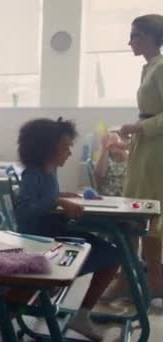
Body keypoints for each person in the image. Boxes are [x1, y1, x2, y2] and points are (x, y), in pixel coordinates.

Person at [16, 118, 120, 341]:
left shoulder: (50, 170)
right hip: (44, 242)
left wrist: (61, 196)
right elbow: (25, 210)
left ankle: (73, 310)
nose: (70, 152)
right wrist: (57, 202)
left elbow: (45, 198)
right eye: (65, 147)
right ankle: (41, 301)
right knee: (112, 255)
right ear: (45, 149)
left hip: (58, 235)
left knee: (113, 253)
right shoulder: (32, 173)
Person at [119, 14, 163, 300]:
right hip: (144, 147)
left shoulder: (161, 68)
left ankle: (154, 285)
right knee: (132, 212)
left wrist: (140, 127)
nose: (130, 41)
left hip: (156, 151)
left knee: (147, 214)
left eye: (134, 35)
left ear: (149, 37)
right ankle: (128, 279)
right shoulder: (148, 68)